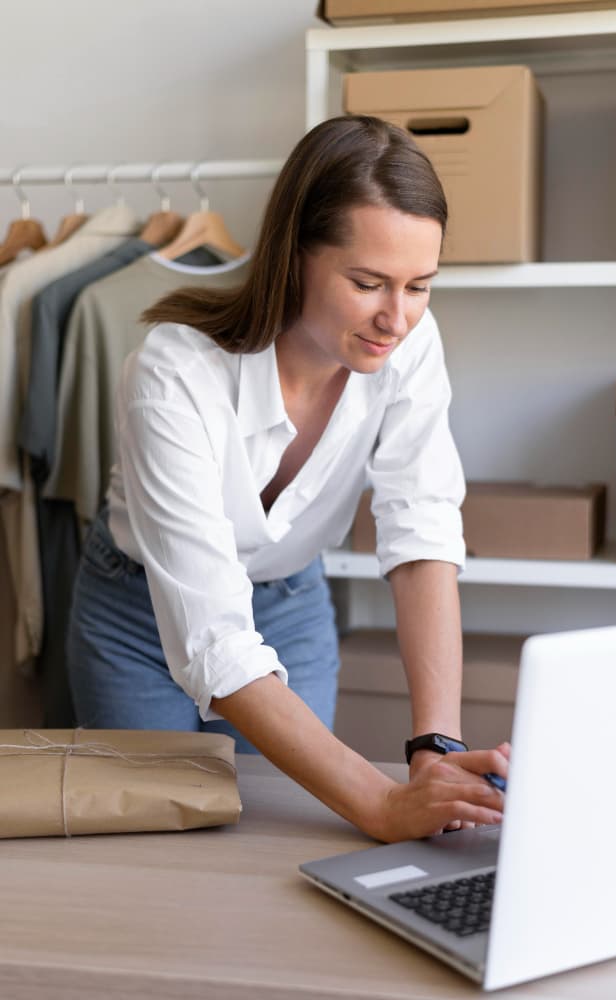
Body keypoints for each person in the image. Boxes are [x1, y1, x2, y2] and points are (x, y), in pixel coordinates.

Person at [67, 114, 509, 843]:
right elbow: (210, 633)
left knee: (277, 842)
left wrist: (436, 747)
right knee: (148, 853)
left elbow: (420, 528)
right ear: (293, 255)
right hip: (136, 616)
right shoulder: (173, 372)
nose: (394, 318)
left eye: (419, 286)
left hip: (290, 601)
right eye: (367, 282)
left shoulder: (407, 343)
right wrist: (376, 801)